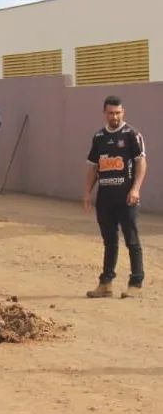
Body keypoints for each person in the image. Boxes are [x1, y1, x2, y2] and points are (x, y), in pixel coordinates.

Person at [84, 95, 146, 299]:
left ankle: (135, 283)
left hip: (127, 198)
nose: (115, 117)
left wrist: (135, 188)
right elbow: (93, 167)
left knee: (132, 240)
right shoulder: (99, 137)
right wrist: (87, 192)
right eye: (111, 113)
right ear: (104, 113)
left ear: (123, 112)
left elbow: (140, 163)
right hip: (105, 199)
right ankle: (106, 283)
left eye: (118, 113)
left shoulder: (132, 134)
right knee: (109, 241)